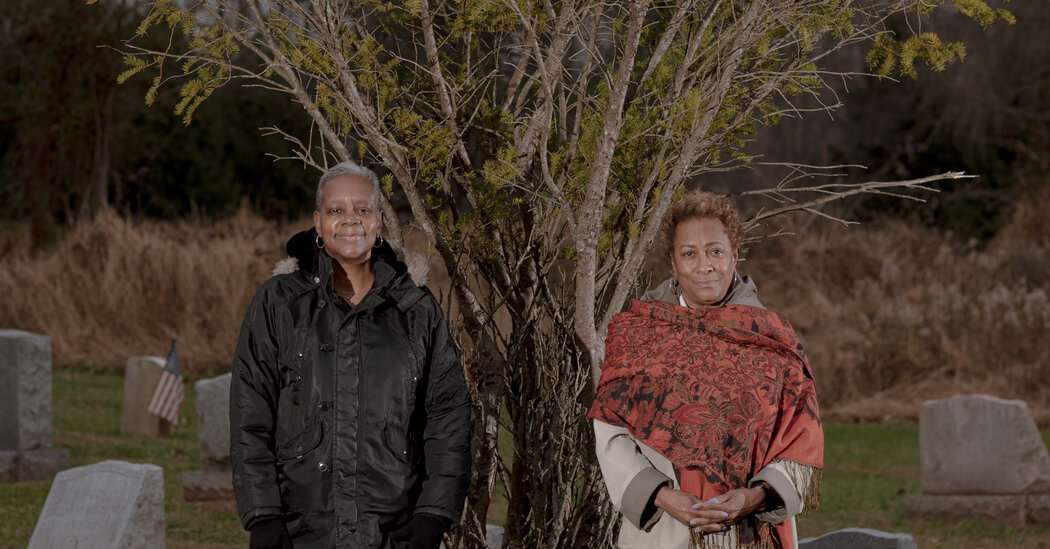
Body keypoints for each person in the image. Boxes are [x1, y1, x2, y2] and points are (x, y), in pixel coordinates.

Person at [230, 161, 471, 549]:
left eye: (362, 208)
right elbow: (250, 415)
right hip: (299, 530)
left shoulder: (415, 308)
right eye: (336, 209)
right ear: (318, 222)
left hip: (394, 531)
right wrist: (263, 514)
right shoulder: (279, 303)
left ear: (378, 221)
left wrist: (433, 513)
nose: (350, 220)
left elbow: (447, 416)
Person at [589, 191, 823, 549]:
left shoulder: (772, 340)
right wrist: (663, 496)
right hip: (664, 531)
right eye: (689, 253)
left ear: (734, 255)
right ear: (673, 262)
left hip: (750, 533)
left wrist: (754, 497)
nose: (704, 265)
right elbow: (610, 429)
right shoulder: (638, 334)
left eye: (715, 251)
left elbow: (800, 436)